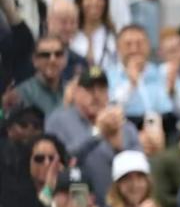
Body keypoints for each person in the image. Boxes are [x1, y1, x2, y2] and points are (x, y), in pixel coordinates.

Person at [45, 66, 140, 198]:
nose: (96, 95)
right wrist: (97, 133)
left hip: (118, 206)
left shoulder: (125, 127)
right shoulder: (59, 120)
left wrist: (119, 149)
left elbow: (140, 172)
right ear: (76, 92)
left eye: (101, 89)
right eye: (89, 89)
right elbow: (59, 160)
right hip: (75, 203)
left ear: (108, 94)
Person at [15, 35, 66, 115]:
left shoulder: (74, 92)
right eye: (45, 55)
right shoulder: (22, 94)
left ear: (64, 59)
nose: (52, 60)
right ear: (35, 60)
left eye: (58, 54)